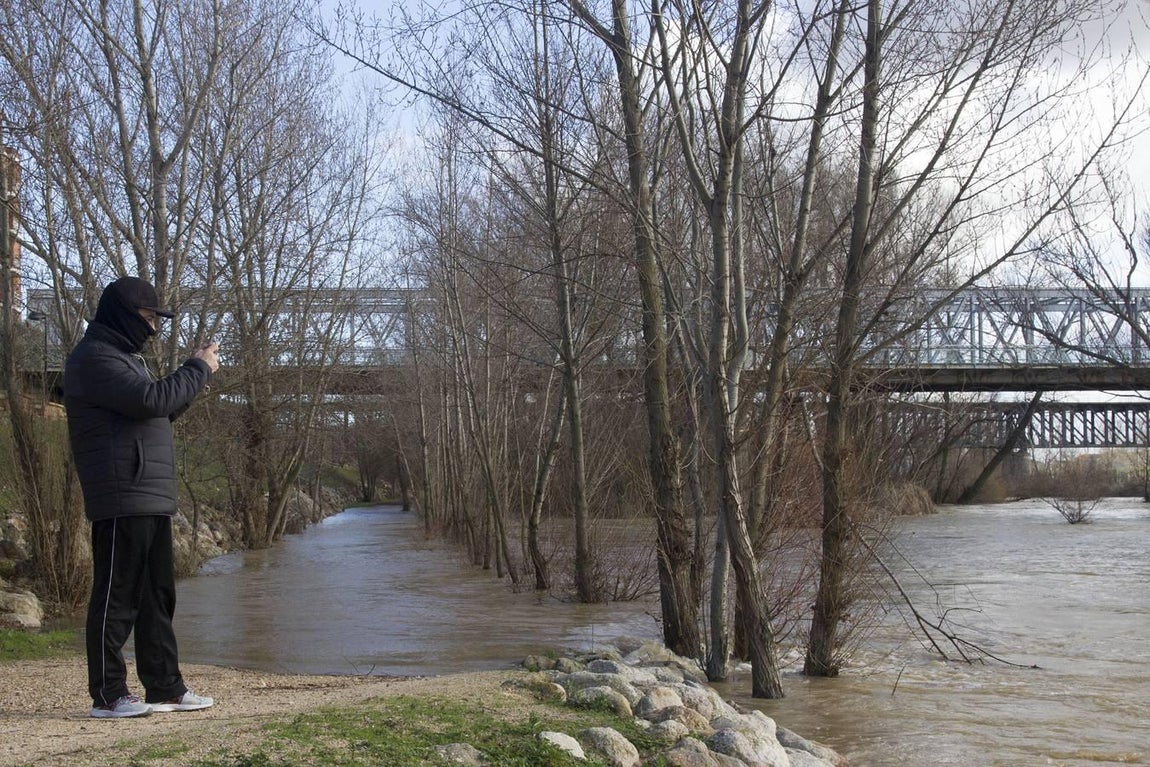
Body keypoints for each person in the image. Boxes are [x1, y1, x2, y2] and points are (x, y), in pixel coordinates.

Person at [64, 276, 220, 719]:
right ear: (124, 315)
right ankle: (109, 695)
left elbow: (162, 407)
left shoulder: (125, 360)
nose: (154, 328)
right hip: (121, 494)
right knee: (116, 597)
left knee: (157, 598)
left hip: (149, 494)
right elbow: (152, 400)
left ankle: (165, 688)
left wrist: (195, 376)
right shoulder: (94, 358)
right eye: (149, 318)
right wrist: (197, 369)